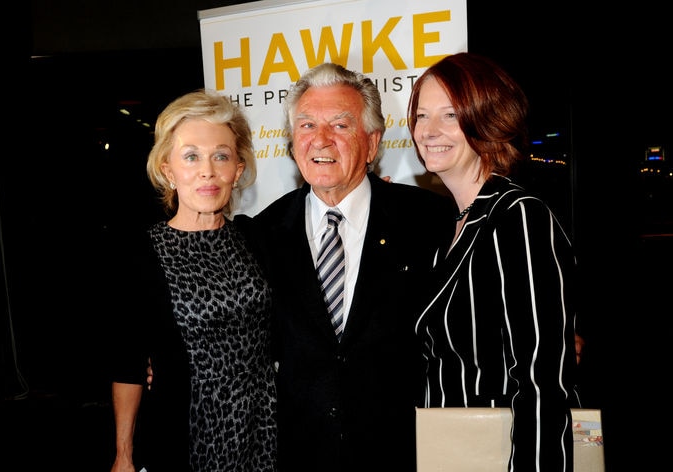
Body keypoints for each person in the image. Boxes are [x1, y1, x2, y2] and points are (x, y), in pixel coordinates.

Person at [254, 62, 455, 472]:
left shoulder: (430, 220)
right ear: (293, 142)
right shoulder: (262, 234)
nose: (320, 140)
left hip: (406, 453)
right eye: (307, 125)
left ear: (373, 142)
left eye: (341, 126)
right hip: (300, 456)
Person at [407, 51, 580, 470]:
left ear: (487, 119)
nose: (429, 131)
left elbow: (543, 383)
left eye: (450, 115)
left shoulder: (518, 217)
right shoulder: (451, 228)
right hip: (451, 453)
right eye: (421, 115)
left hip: (501, 457)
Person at [108, 89, 277, 472]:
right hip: (182, 439)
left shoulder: (257, 238)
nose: (208, 170)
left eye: (221, 155)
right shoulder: (142, 253)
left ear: (238, 168)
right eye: (191, 156)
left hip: (262, 433)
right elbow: (128, 364)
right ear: (168, 169)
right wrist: (123, 454)